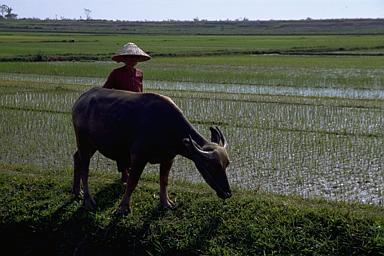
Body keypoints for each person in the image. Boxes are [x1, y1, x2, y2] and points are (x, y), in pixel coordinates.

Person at [103, 42, 151, 182]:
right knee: (122, 143)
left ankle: (131, 169)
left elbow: (141, 92)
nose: (132, 61)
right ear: (123, 59)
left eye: (135, 58)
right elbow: (105, 90)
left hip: (137, 112)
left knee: (136, 143)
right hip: (121, 112)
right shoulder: (116, 73)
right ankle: (124, 172)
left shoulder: (139, 74)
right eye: (129, 58)